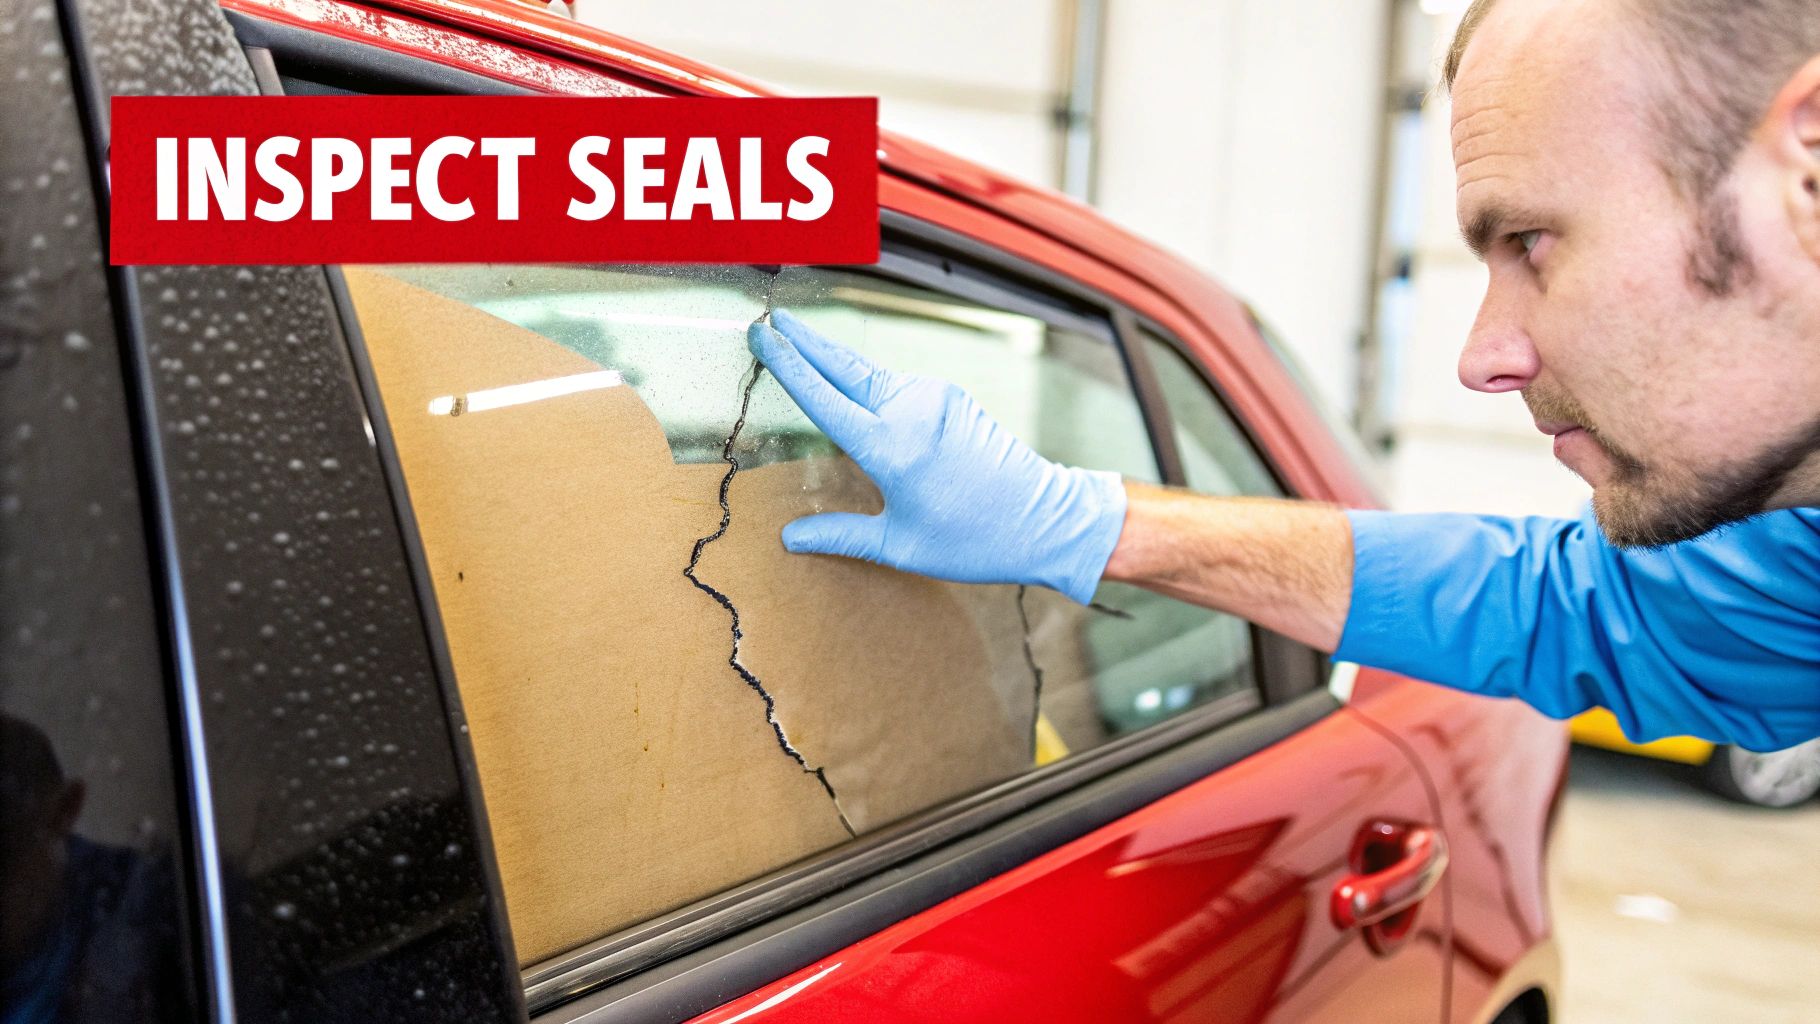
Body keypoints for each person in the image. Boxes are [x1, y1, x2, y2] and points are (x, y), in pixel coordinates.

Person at [745, 0, 1820, 752]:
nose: (1483, 358)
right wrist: (1076, 524)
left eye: (1531, 241)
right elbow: (1559, 609)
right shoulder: (1791, 549)